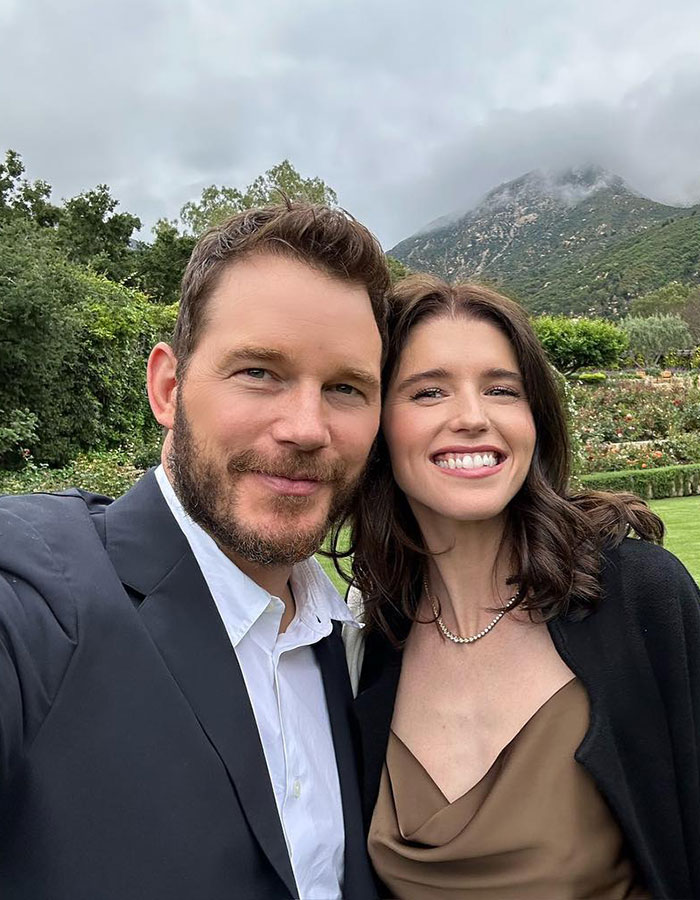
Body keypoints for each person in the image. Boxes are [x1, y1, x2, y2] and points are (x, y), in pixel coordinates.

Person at [0, 202, 390, 900]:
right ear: (167, 388)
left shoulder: (346, 638)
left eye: (345, 388)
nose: (306, 428)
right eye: (259, 372)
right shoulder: (41, 598)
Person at [342, 275, 700, 899]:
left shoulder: (640, 596)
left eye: (502, 390)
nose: (473, 418)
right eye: (428, 392)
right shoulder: (365, 643)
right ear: (377, 425)